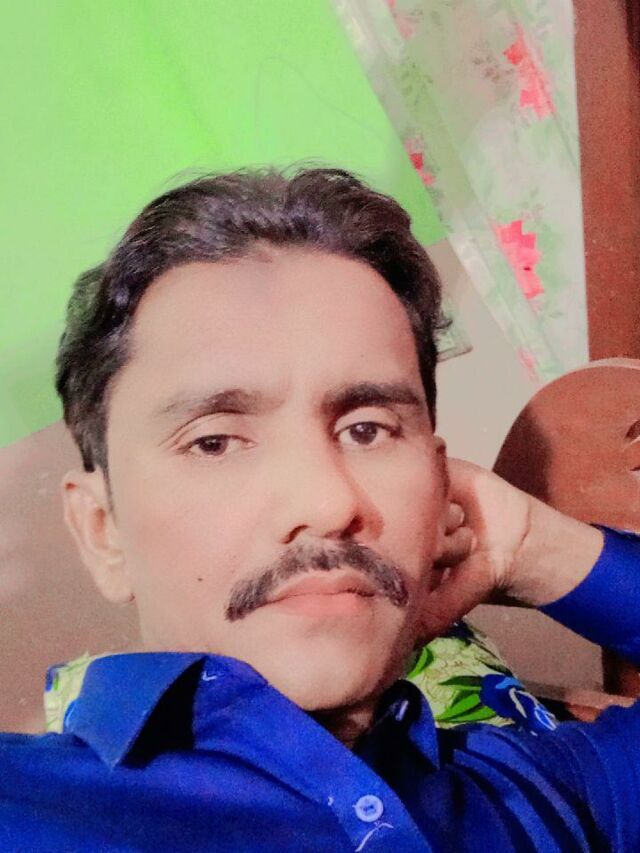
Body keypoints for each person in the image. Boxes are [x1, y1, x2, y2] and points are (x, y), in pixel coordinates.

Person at [1, 167, 639, 851]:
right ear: (102, 532)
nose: (329, 501)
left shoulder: (540, 792)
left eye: (367, 430)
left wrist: (530, 546)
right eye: (215, 441)